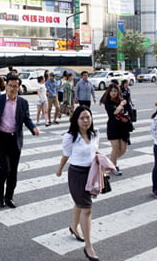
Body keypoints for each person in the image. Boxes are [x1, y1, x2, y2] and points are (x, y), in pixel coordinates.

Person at [56, 105, 100, 261]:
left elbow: (95, 153)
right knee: (86, 209)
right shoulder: (70, 137)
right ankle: (88, 247)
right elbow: (65, 155)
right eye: (82, 118)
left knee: (79, 204)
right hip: (76, 174)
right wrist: (59, 170)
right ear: (76, 120)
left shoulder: (95, 134)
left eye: (88, 117)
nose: (86, 120)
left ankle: (74, 227)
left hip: (91, 174)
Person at [0, 74, 39, 209]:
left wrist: (33, 127)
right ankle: (0, 195)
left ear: (19, 87)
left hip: (15, 139)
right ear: (6, 86)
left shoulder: (23, 102)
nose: (12, 88)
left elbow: (26, 118)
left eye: (15, 86)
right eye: (10, 86)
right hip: (1, 138)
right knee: (4, 168)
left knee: (13, 171)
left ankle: (9, 197)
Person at [103, 84, 132, 176]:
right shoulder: (108, 102)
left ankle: (110, 161)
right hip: (113, 127)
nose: (113, 93)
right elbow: (115, 112)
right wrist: (122, 104)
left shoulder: (122, 100)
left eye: (115, 91)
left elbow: (127, 112)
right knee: (115, 148)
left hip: (123, 127)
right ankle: (113, 166)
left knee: (123, 149)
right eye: (111, 91)